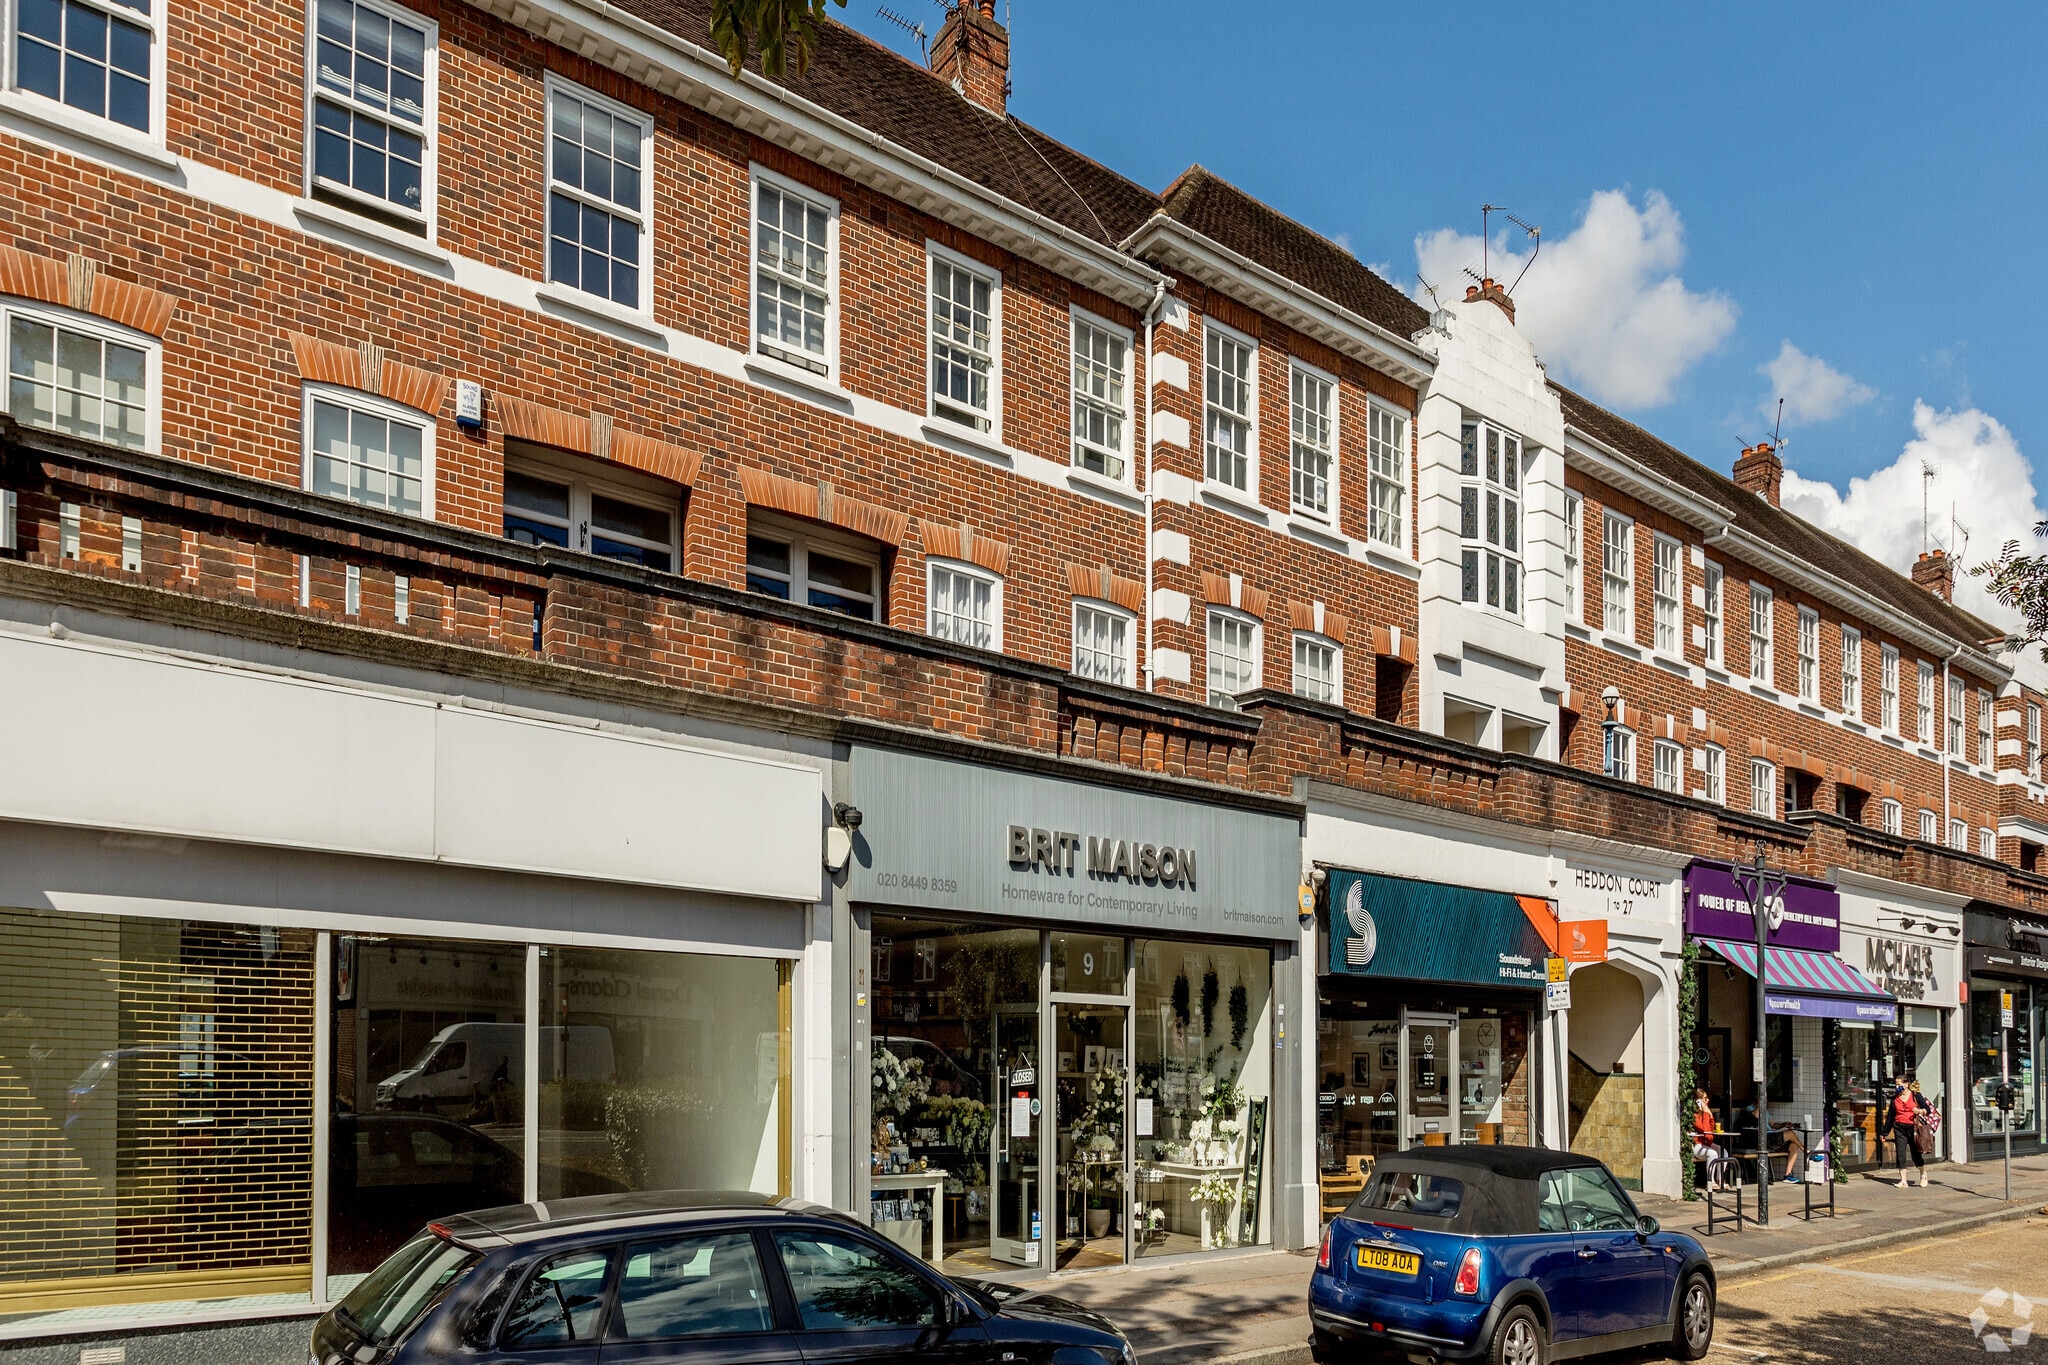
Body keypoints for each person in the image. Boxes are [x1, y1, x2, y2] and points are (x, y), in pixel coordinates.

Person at [1882, 1076, 1927, 1187]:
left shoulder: (1916, 1095)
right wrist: (1884, 1133)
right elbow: (1890, 1117)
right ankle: (1903, 1181)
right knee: (1901, 1154)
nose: (1897, 1087)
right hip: (1899, 1127)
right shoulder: (1895, 1099)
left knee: (1915, 1154)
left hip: (1913, 1128)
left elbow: (1928, 1109)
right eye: (1896, 1085)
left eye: (1899, 1084)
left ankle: (1923, 1173)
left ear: (1906, 1084)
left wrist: (1920, 1110)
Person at [1689, 1089, 1729, 1189]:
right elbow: (1705, 1130)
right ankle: (1710, 1181)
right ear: (1698, 1101)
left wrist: (1709, 1115)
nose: (1707, 1101)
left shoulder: (1704, 1113)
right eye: (1705, 1098)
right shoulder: (1694, 1115)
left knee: (1723, 1152)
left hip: (1705, 1143)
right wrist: (1707, 1114)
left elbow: (1710, 1130)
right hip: (1696, 1144)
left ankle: (1720, 1179)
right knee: (1713, 1153)